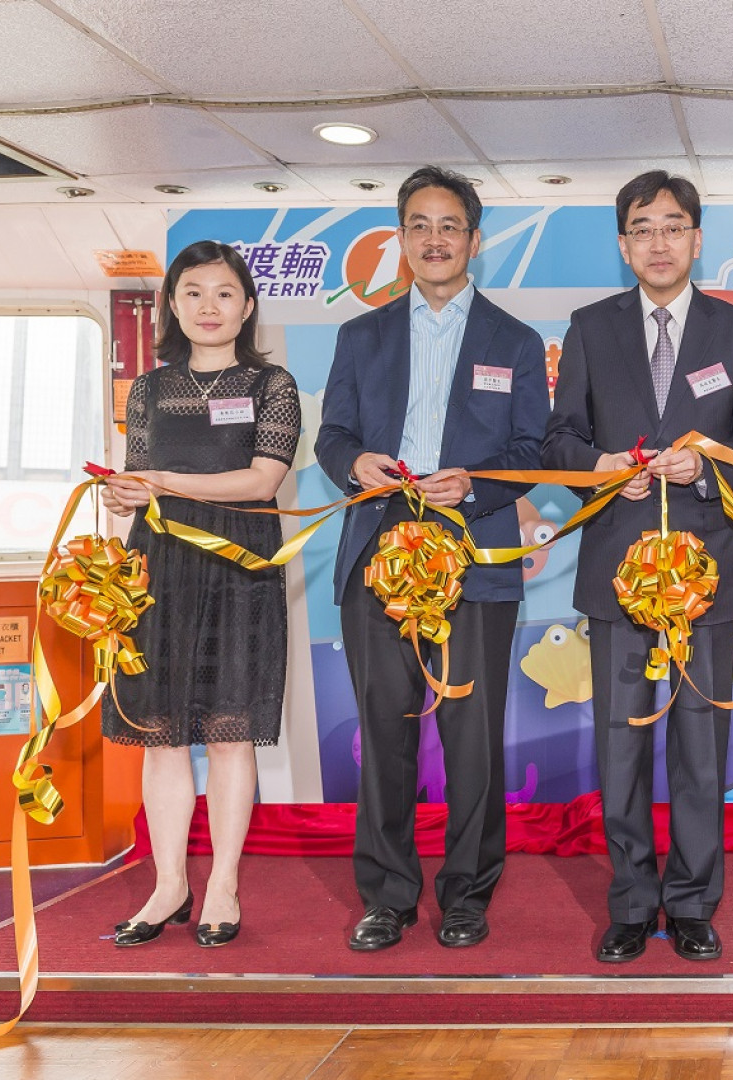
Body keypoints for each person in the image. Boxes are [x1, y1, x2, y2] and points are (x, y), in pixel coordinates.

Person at [543, 170, 733, 963]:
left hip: (705, 570)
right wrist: (602, 463)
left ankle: (690, 902)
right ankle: (630, 900)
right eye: (642, 228)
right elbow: (559, 442)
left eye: (673, 226)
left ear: (697, 238)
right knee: (618, 743)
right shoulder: (589, 327)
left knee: (696, 744)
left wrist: (704, 470)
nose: (658, 242)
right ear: (622, 244)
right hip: (616, 569)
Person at [316, 166, 549, 951]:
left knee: (472, 738)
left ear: (474, 240)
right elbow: (332, 437)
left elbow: (531, 452)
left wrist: (475, 485)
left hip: (475, 557)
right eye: (419, 224)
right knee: (382, 731)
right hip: (379, 553)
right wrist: (357, 466)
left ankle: (466, 896)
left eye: (449, 225)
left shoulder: (513, 342)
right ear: (402, 239)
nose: (434, 239)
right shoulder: (361, 335)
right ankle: (385, 895)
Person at [102, 240, 300, 948]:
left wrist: (161, 483)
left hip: (237, 567)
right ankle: (169, 884)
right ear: (171, 305)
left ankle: (223, 884)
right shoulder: (150, 389)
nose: (208, 307)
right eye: (192, 292)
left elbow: (261, 481)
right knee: (160, 738)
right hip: (157, 570)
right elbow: (136, 483)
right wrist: (126, 492)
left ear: (247, 306)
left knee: (228, 734)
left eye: (224, 293)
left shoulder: (272, 384)